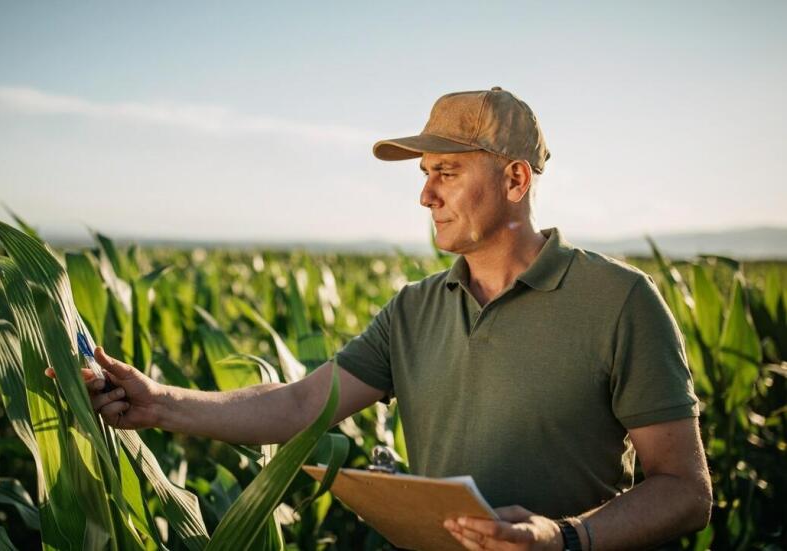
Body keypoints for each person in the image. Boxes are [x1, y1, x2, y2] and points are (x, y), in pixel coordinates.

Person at [51, 87, 712, 550]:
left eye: (446, 171)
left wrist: (564, 538)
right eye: (424, 172)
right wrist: (158, 402)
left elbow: (685, 490)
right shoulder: (413, 307)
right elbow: (300, 402)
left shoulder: (619, 300)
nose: (425, 193)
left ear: (514, 181)